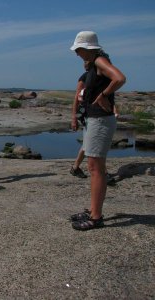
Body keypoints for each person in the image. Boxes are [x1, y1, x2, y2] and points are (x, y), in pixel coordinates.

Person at [69, 31, 126, 230]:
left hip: (101, 121)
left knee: (95, 169)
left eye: (78, 49)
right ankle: (93, 210)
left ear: (88, 48)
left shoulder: (100, 61)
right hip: (95, 119)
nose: (77, 53)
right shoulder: (95, 63)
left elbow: (119, 78)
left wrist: (103, 95)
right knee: (95, 168)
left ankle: (96, 217)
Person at [70, 61, 91, 179]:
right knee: (90, 141)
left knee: (88, 142)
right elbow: (77, 97)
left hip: (94, 114)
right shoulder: (85, 77)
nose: (85, 63)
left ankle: (76, 167)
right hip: (88, 114)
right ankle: (103, 172)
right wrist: (74, 118)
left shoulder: (99, 76)